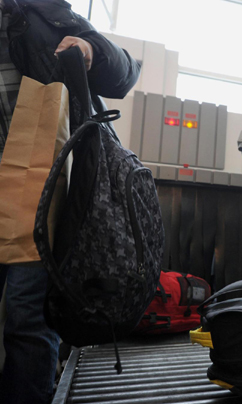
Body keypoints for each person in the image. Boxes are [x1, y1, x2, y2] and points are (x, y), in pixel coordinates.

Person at [0, 1, 141, 403]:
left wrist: (90, 51)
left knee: (28, 317)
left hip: (33, 182)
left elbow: (125, 72)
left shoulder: (40, 11)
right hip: (30, 180)